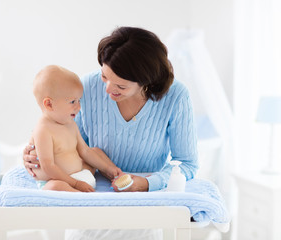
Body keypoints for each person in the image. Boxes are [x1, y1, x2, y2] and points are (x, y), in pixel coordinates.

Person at [23, 26, 199, 239]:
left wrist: (146, 183)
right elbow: (69, 144)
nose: (106, 89)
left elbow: (187, 164)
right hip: (88, 213)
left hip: (142, 219)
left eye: (120, 86)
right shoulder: (85, 87)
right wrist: (34, 156)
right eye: (104, 76)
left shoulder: (175, 97)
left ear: (146, 82)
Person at [30, 65, 122, 192]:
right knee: (54, 187)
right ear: (49, 104)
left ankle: (113, 175)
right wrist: (76, 184)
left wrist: (107, 168)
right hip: (57, 180)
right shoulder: (43, 130)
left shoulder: (70, 124)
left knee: (96, 152)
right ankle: (82, 196)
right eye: (73, 102)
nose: (78, 107)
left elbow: (85, 151)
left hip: (80, 175)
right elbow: (48, 167)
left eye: (79, 100)